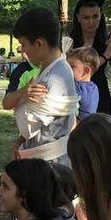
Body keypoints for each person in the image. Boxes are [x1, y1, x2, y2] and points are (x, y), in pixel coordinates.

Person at [8, 8, 77, 164]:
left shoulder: (53, 78)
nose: (22, 50)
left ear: (39, 44)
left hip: (48, 163)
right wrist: (21, 140)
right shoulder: (59, 67)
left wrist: (20, 104)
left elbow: (27, 127)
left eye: (23, 44)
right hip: (48, 158)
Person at [65, 0, 111, 115]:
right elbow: (81, 70)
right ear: (78, 18)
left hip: (101, 96)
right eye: (86, 17)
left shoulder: (108, 40)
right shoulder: (69, 42)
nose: (91, 22)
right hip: (75, 96)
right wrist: (105, 55)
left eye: (95, 17)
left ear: (101, 16)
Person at [65, 46, 100, 123]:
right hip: (87, 127)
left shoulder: (78, 87)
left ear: (86, 71)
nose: (66, 69)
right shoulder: (93, 87)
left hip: (77, 128)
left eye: (72, 66)